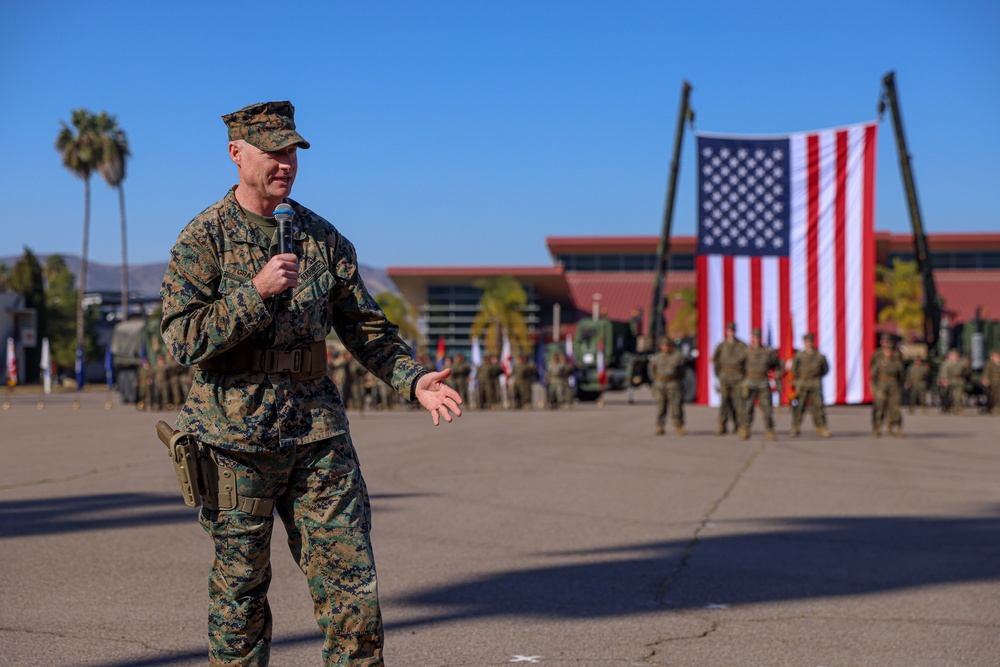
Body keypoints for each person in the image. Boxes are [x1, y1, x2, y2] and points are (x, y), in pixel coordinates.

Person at [159, 101, 462, 667]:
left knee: (353, 594)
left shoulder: (321, 239)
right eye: (272, 152)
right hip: (233, 446)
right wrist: (255, 292)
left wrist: (414, 378)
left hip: (318, 437)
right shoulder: (203, 240)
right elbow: (181, 339)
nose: (285, 163)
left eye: (291, 152)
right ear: (236, 154)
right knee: (240, 597)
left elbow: (367, 329)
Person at [740, 328, 781, 440]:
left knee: (767, 409)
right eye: (754, 337)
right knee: (748, 409)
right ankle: (745, 429)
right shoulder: (746, 352)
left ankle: (770, 430)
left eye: (758, 337)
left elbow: (777, 364)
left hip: (763, 383)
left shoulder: (767, 352)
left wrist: (777, 372)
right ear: (752, 338)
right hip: (750, 382)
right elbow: (740, 367)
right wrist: (742, 381)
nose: (756, 340)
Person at [789, 332, 830, 437]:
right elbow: (794, 370)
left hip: (815, 383)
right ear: (804, 343)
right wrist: (800, 379)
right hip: (802, 383)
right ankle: (795, 427)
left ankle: (821, 427)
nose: (809, 344)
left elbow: (825, 369)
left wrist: (815, 376)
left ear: (813, 342)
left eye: (810, 341)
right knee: (799, 407)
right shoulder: (799, 356)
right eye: (807, 342)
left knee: (818, 407)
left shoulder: (820, 356)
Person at [711, 321, 747, 434]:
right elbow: (715, 361)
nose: (731, 333)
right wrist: (719, 375)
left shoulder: (742, 346)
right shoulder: (721, 346)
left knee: (739, 403)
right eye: (729, 330)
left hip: (738, 378)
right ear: (726, 331)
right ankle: (722, 425)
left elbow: (747, 361)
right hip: (725, 377)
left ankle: (740, 425)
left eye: (733, 330)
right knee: (724, 402)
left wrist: (744, 377)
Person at [647, 337, 685, 435]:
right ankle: (660, 426)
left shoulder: (677, 357)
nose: (666, 347)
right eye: (664, 345)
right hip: (660, 385)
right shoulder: (656, 358)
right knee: (661, 407)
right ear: (661, 346)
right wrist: (657, 379)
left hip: (673, 384)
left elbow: (682, 372)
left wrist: (675, 379)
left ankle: (678, 426)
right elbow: (651, 371)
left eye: (668, 345)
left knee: (676, 407)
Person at [869, 333, 905, 437]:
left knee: (895, 408)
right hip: (881, 385)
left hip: (894, 386)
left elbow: (901, 375)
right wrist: (873, 387)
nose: (888, 352)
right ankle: (877, 428)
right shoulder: (877, 356)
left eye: (890, 350)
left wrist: (900, 386)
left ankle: (895, 427)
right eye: (886, 350)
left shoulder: (897, 359)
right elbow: (873, 373)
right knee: (879, 408)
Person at [937, 348, 968, 414]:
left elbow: (965, 373)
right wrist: (944, 380)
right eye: (953, 355)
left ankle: (958, 408)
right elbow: (943, 372)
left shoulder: (961, 364)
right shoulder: (946, 364)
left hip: (959, 381)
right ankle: (949, 407)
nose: (955, 357)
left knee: (958, 396)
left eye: (956, 355)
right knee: (949, 395)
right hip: (950, 381)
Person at [982, 349, 1000, 414]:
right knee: (993, 395)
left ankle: (997, 407)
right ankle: (993, 407)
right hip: (993, 381)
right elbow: (986, 372)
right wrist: (985, 379)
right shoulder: (989, 364)